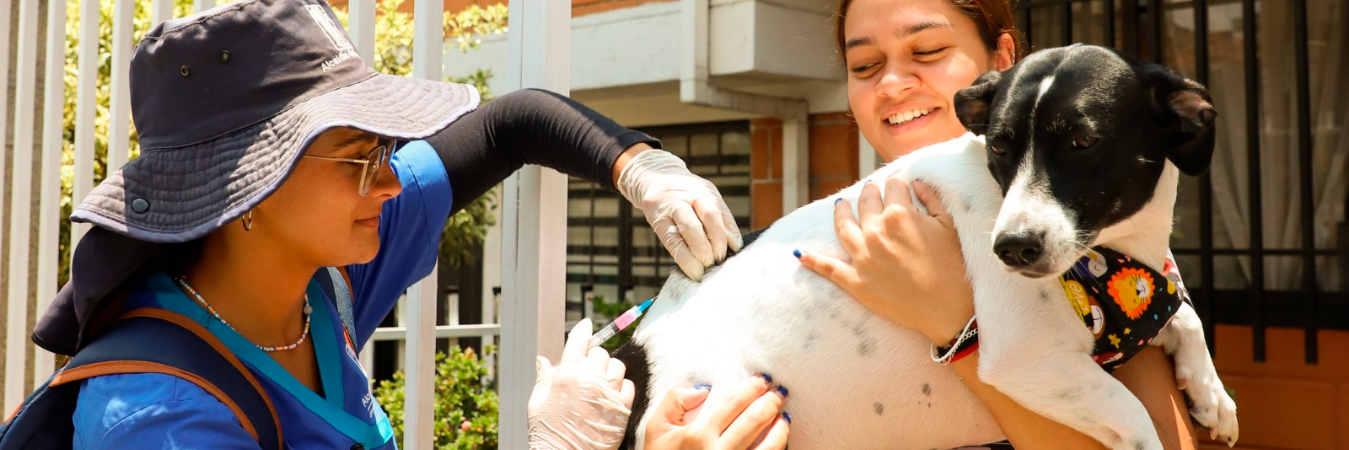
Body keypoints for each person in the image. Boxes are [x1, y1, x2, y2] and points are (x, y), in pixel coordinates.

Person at [37, 1, 787, 448]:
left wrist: (638, 167)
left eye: (386, 152)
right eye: (356, 160)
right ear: (246, 193)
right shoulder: (160, 418)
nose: (391, 181)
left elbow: (508, 126)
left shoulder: (319, 283)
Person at [794, 0, 1201, 448]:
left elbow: (1164, 437)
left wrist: (954, 325)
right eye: (865, 64)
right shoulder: (825, 229)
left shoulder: (1092, 242)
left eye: (927, 50)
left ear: (1003, 59)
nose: (891, 84)